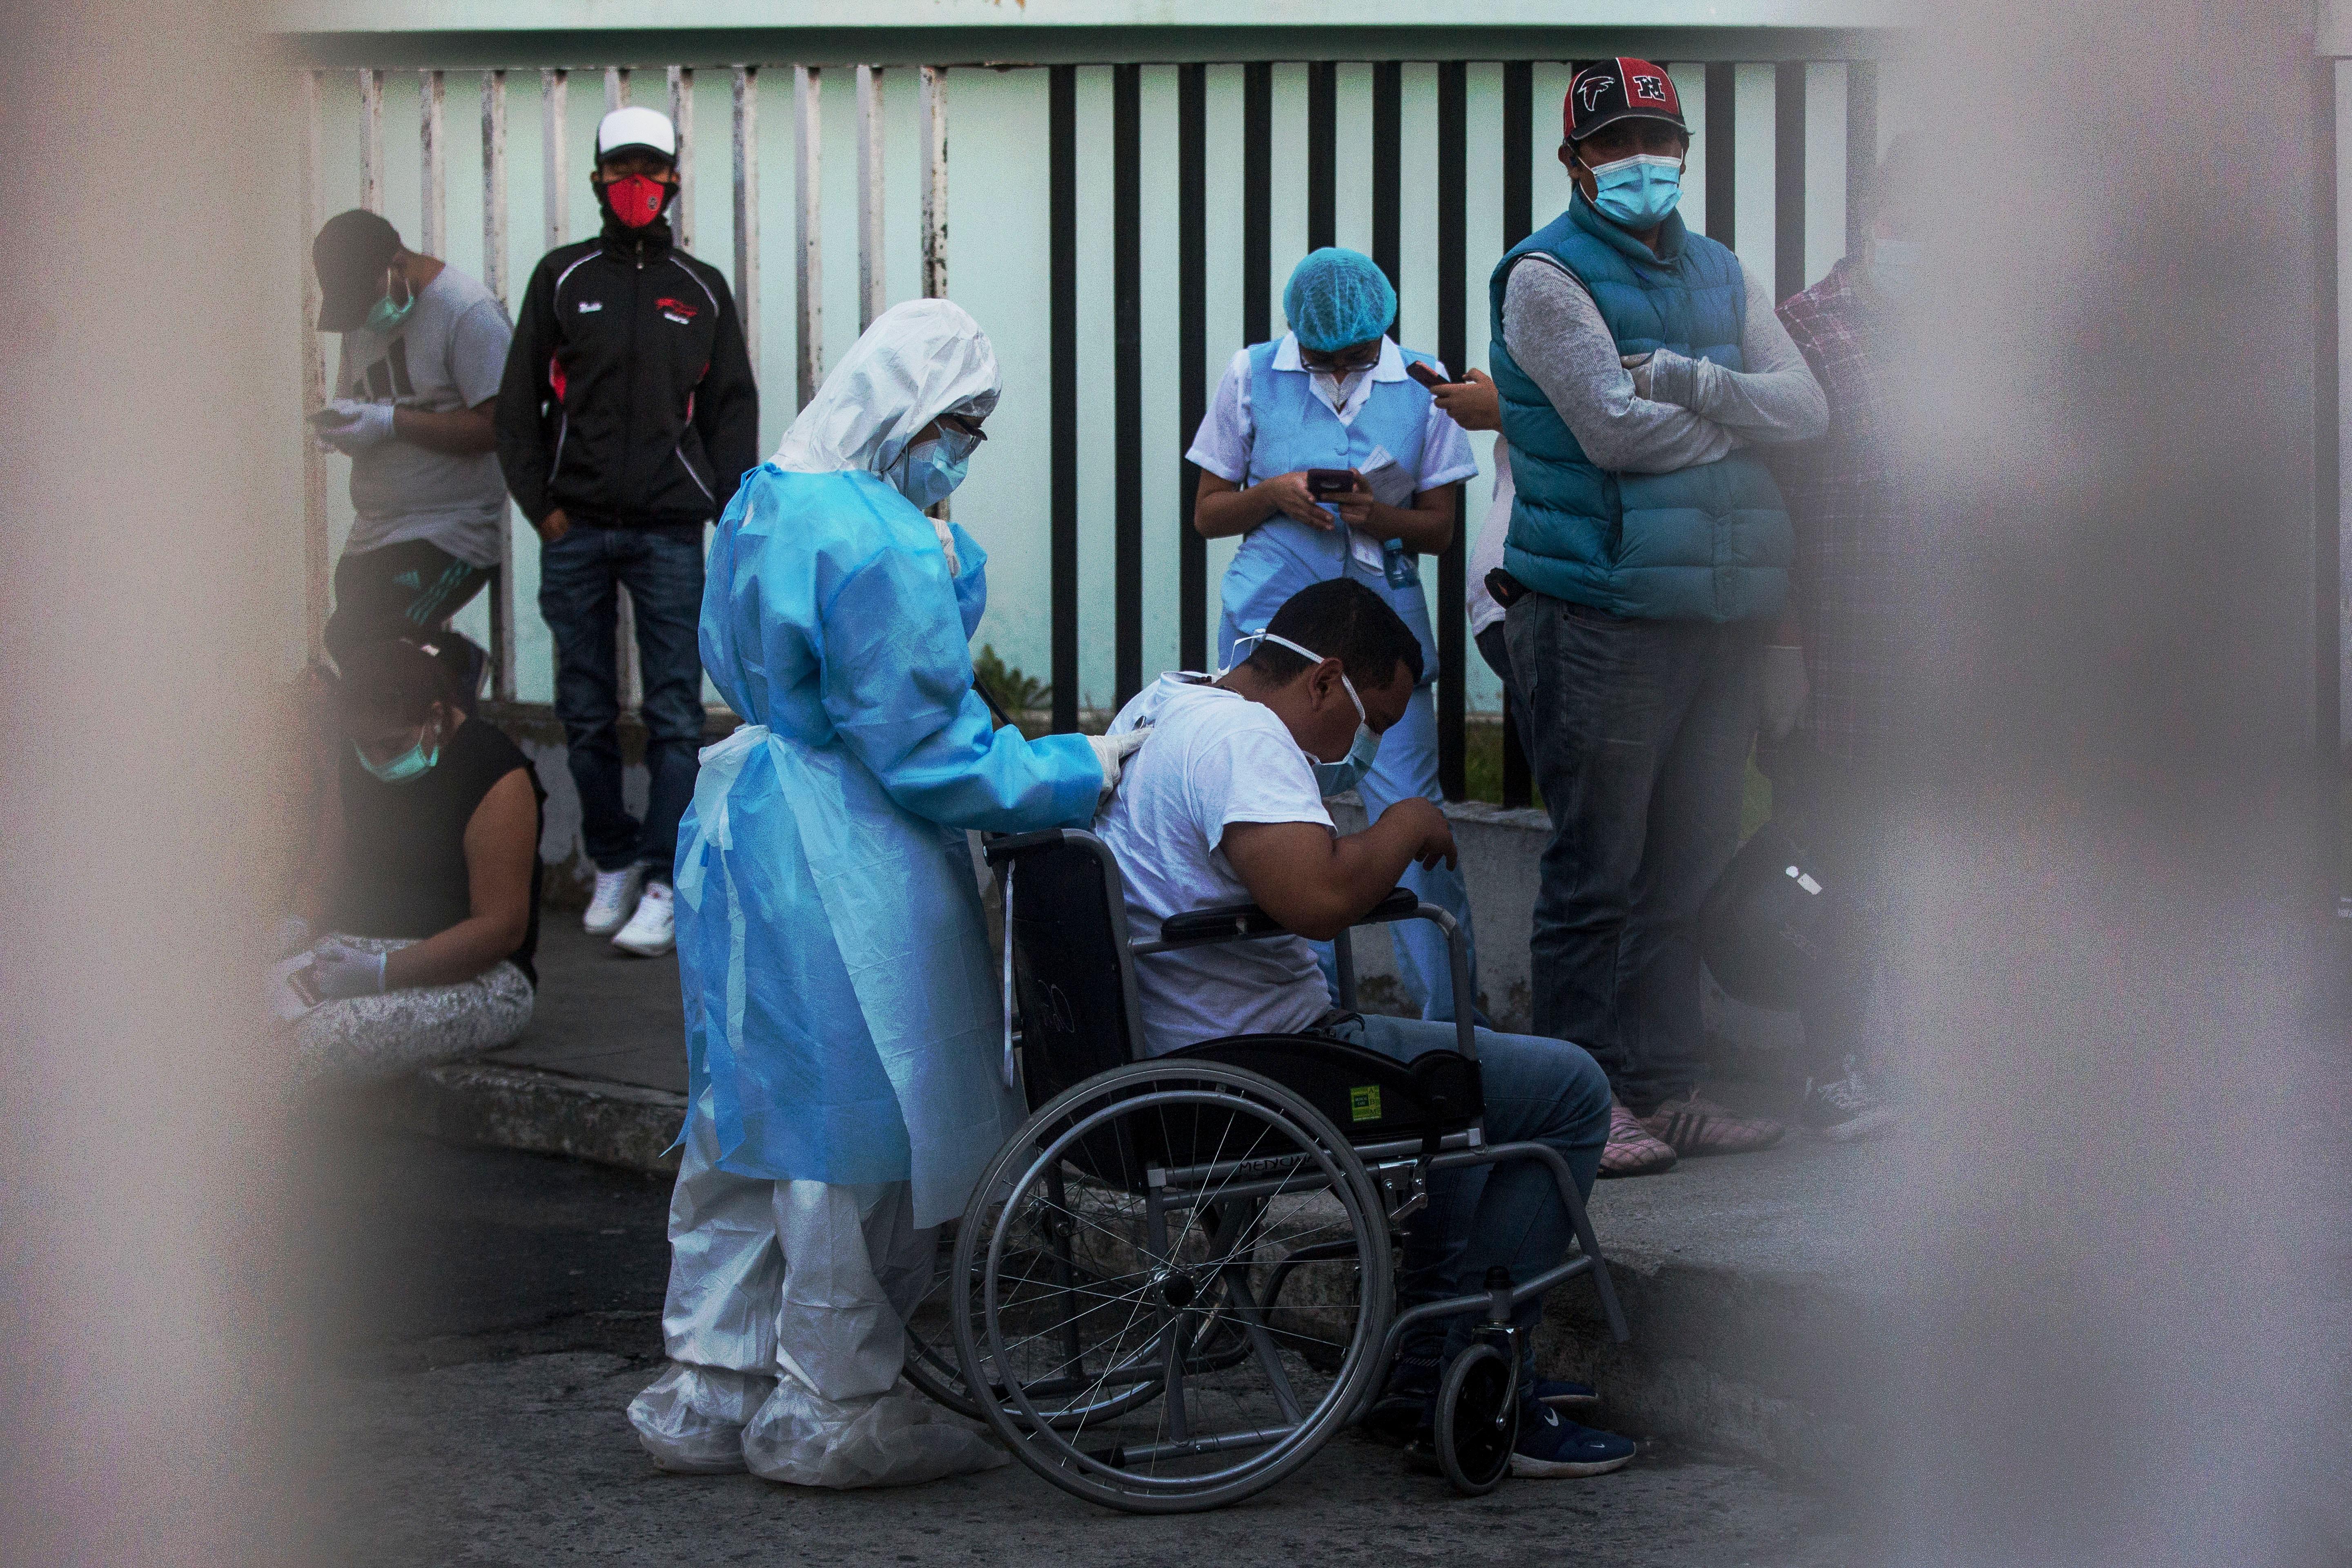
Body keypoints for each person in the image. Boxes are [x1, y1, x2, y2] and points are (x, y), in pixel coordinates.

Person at [625, 299, 1146, 1489]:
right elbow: (930, 750)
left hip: (748, 831)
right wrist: (1079, 765)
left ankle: (713, 1378)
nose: (964, 448)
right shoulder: (881, 541)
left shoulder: (765, 498)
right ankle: (836, 1401)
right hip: (849, 852)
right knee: (853, 1128)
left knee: (746, 1116)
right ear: (913, 406)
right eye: (962, 421)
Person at [1096, 577, 1633, 1480]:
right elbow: (1316, 898)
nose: (1366, 747)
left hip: (1177, 1056)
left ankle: (1427, 1378)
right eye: (1370, 720)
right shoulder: (1245, 739)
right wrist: (1406, 824)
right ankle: (1490, 1378)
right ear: (1325, 680)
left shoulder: (1164, 707)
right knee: (1571, 1091)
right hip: (1264, 1071)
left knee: (1451, 1093)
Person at [1490, 60, 1828, 1176]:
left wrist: (1693, 382)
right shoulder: (1545, 277)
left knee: (1687, 862)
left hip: (1721, 616)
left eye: (1661, 139)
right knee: (1599, 870)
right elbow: (1610, 432)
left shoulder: (1724, 270)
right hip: (1605, 615)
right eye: (1617, 142)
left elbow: (1809, 408)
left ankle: (1668, 1086)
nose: (1645, 159)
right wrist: (1741, 415)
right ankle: (1580, 1107)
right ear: (1577, 161)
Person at [1187, 247, 1486, 1024]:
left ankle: (1453, 1025)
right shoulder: (1252, 374)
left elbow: (1441, 530)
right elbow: (1208, 513)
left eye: (1358, 359)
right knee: (1282, 821)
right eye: (1323, 361)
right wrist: (1274, 495)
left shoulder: (1423, 380)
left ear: (1382, 334)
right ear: (1296, 336)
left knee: (1412, 814)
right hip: (1272, 627)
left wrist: (1375, 516)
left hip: (1382, 631)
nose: (1341, 375)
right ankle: (1306, 1018)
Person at [494, 105, 758, 959]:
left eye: (651, 169)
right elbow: (517, 410)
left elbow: (731, 410)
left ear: (675, 179)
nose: (636, 184)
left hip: (670, 533)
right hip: (576, 531)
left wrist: (719, 502)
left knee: (677, 713)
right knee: (585, 708)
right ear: (599, 182)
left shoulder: (703, 288)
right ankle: (610, 857)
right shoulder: (564, 278)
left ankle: (660, 878)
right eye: (621, 171)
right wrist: (543, 508)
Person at [1755, 137, 1928, 1143]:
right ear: (1871, 209)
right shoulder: (1807, 330)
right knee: (1845, 872)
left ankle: (1923, 1064)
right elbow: (1773, 505)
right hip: (1845, 662)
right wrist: (1782, 660)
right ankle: (1829, 1069)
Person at [276, 637, 545, 1087]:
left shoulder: (494, 773)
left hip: (482, 978)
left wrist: (383, 974)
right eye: (365, 746)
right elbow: (326, 870)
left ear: (435, 718)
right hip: (362, 947)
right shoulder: (356, 759)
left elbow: (501, 929)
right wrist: (289, 931)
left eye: (392, 744)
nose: (377, 760)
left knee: (318, 1041)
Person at [310, 209, 513, 706]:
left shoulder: (467, 313)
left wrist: (392, 423)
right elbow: (363, 400)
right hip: (376, 526)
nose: (363, 318)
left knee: (386, 634)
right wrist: (348, 428)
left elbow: (500, 427)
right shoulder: (364, 313)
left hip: (450, 531)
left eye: (366, 300)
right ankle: (427, 702)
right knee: (345, 638)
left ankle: (457, 667)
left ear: (396, 264)